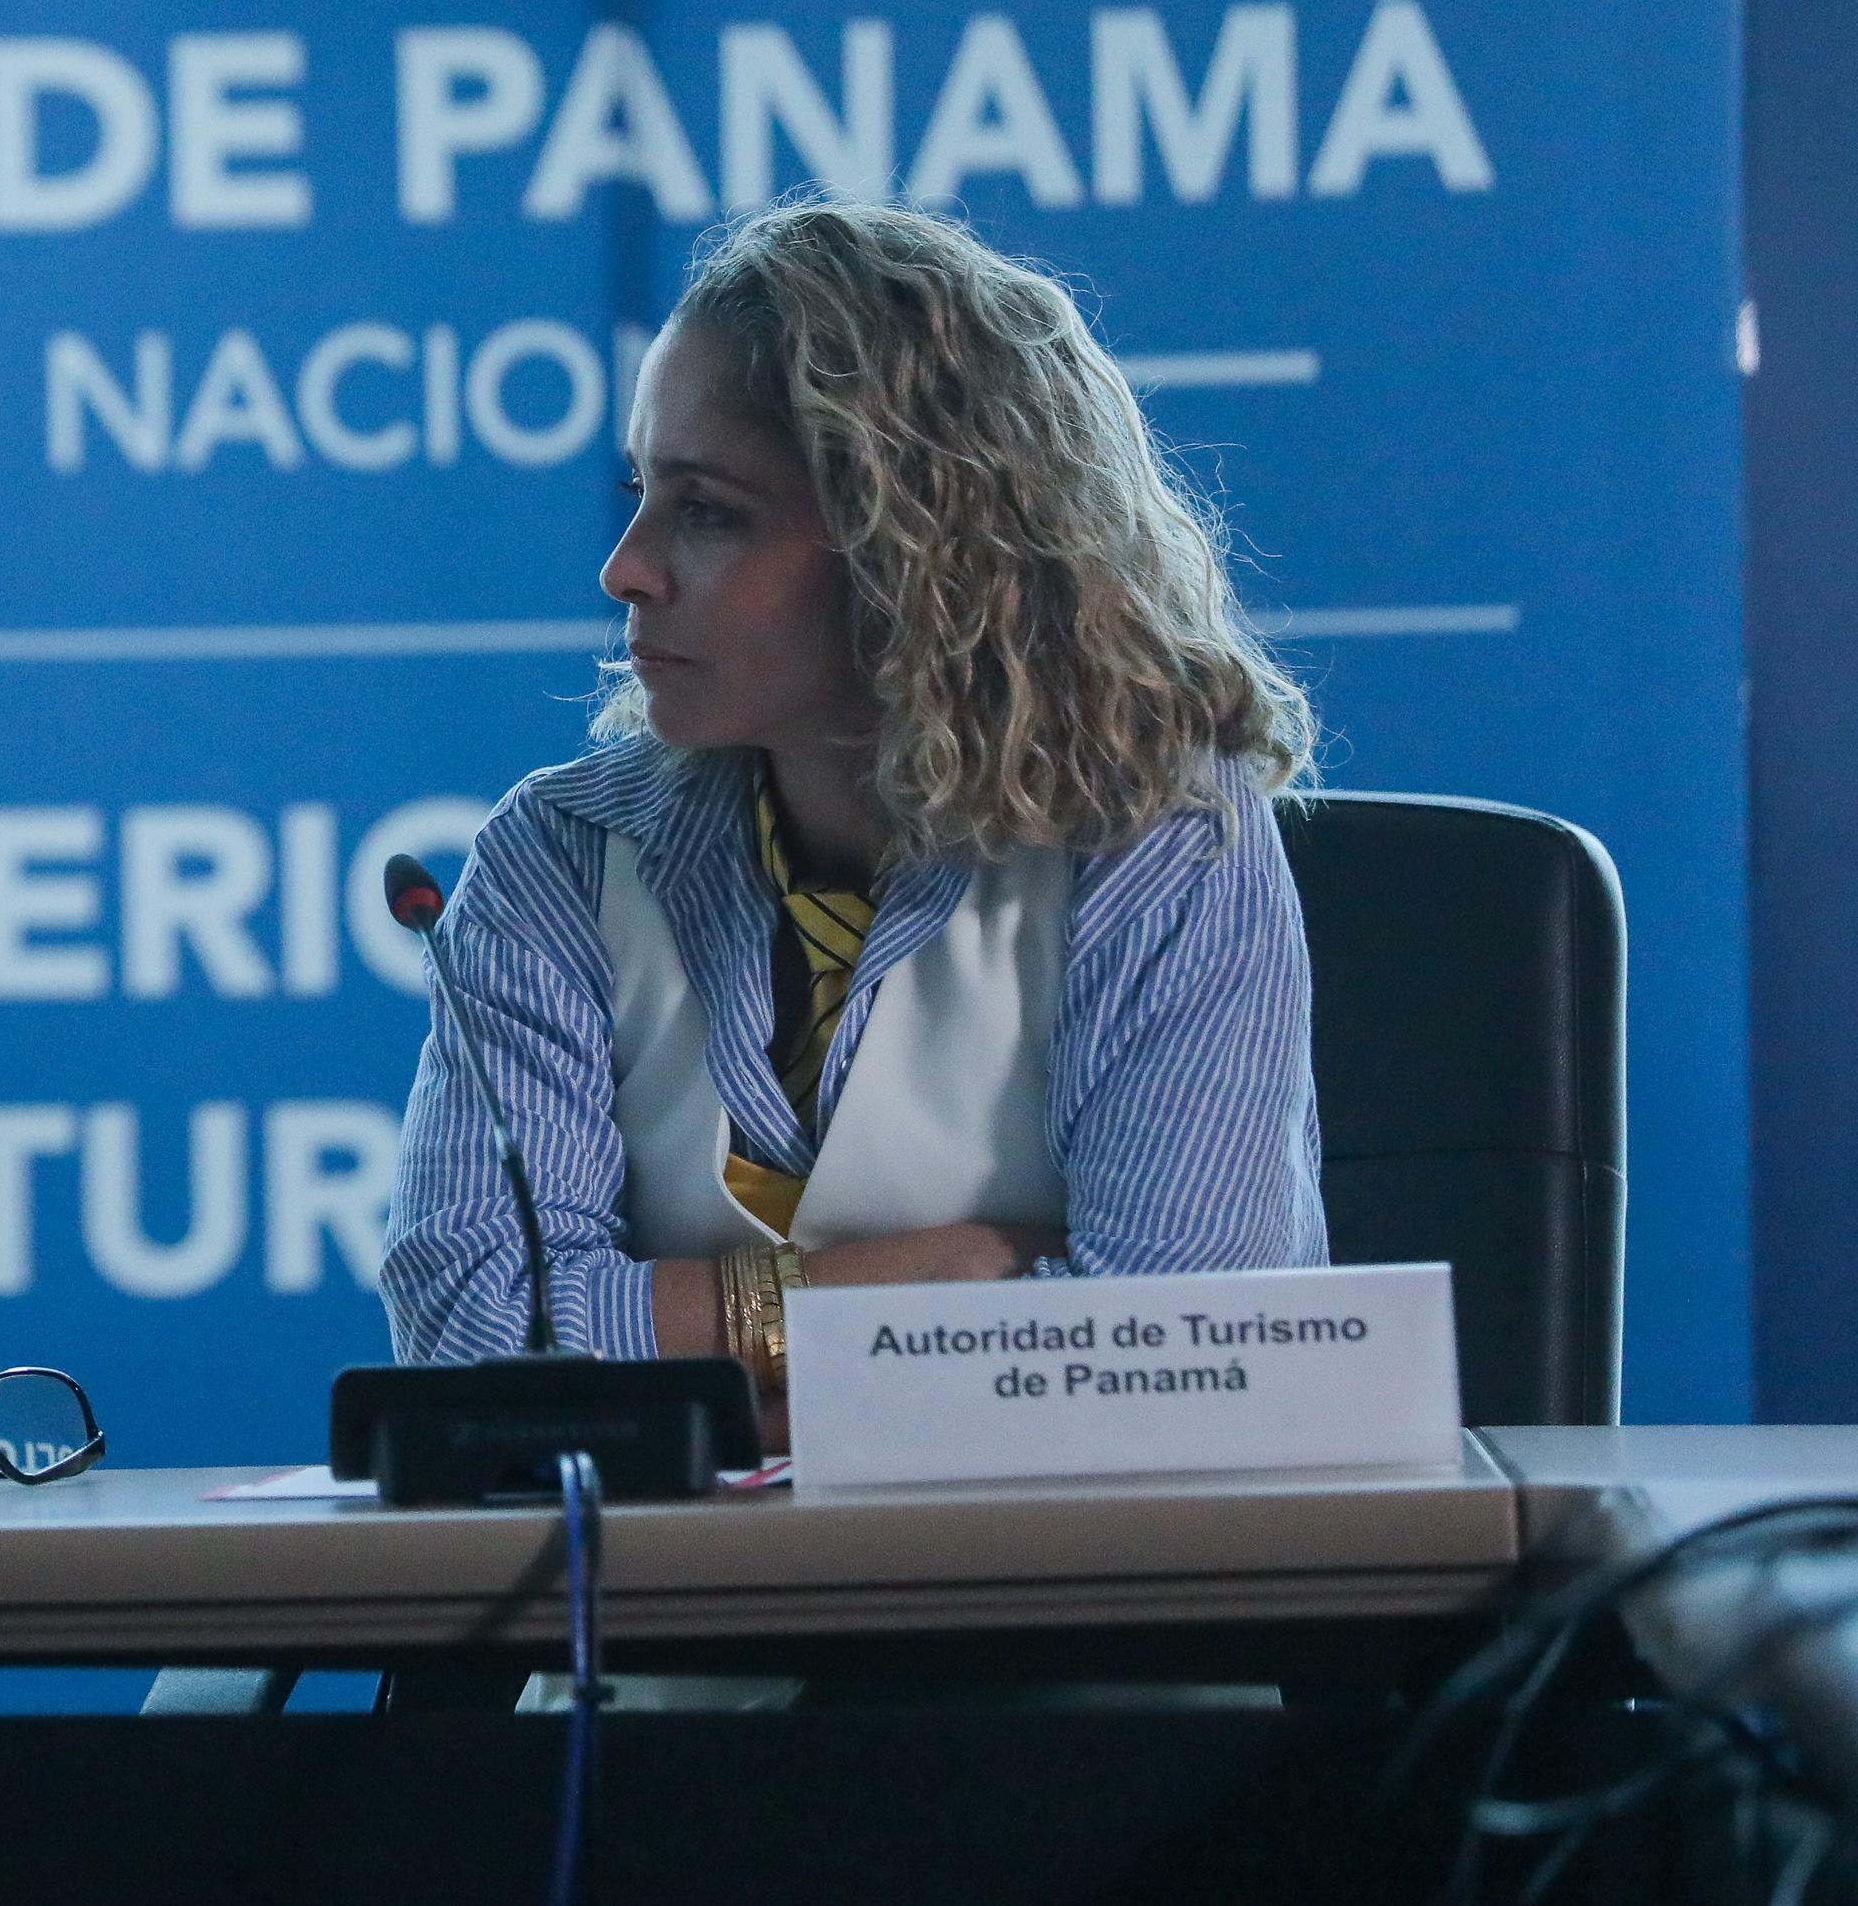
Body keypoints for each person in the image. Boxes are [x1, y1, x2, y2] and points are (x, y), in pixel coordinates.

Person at [379, 201, 1322, 1437]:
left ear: (916, 547)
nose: (625, 565)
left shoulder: (1156, 836)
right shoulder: (557, 853)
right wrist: (958, 1276)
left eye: (706, 509)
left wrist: (676, 1389)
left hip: (1083, 1607)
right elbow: (474, 1338)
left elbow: (1177, 1351)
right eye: (641, 493)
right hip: (660, 1618)